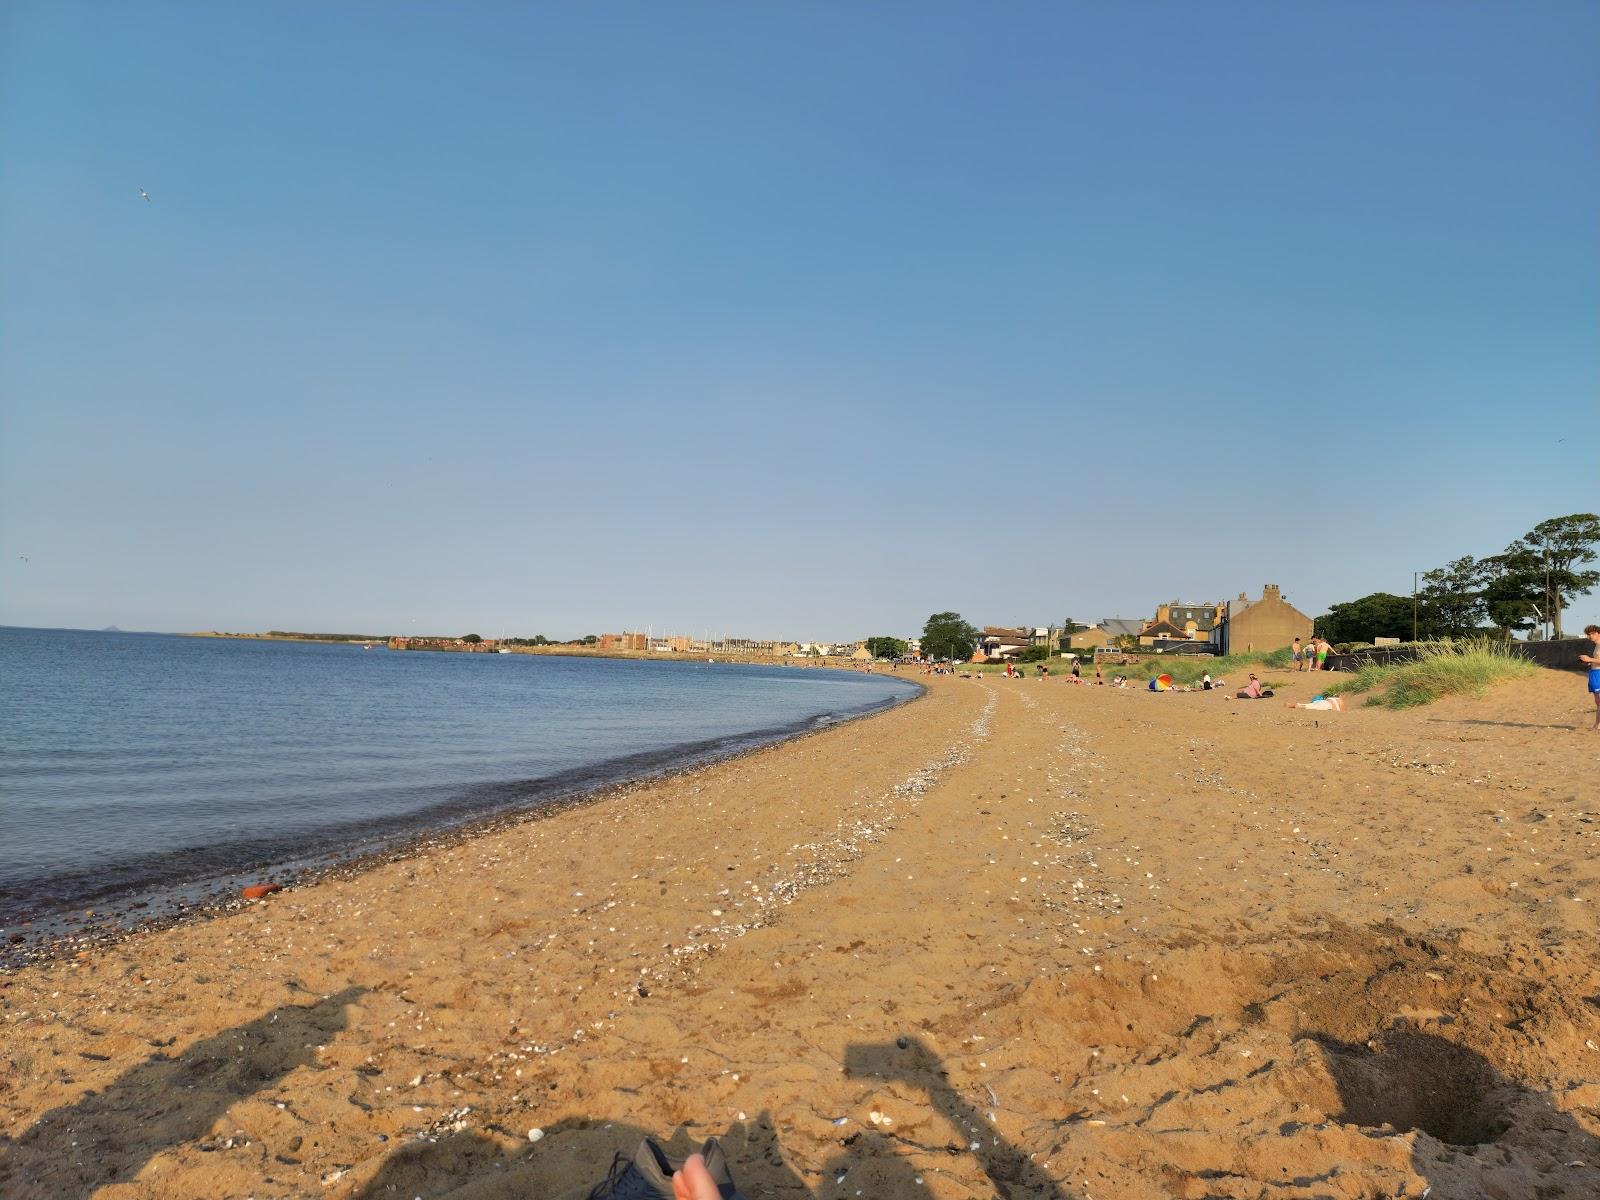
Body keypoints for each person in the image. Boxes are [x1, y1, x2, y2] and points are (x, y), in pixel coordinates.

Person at [1581, 624, 1600, 731]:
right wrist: (1588, 662)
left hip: (1599, 674)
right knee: (1598, 702)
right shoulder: (1596, 646)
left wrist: (1590, 659)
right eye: (1589, 634)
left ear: (1599, 633)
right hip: (1594, 673)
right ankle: (1597, 725)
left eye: (1593, 633)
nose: (1590, 636)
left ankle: (1597, 725)